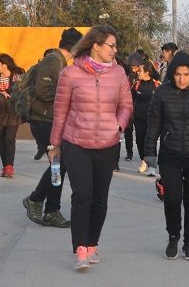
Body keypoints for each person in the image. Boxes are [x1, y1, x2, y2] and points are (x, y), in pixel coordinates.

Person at [48, 25, 133, 271]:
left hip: (107, 145)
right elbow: (60, 111)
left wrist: (118, 127)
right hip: (77, 144)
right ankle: (80, 250)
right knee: (82, 195)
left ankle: (93, 243)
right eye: (111, 45)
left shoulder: (119, 73)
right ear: (95, 45)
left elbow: (126, 105)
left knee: (100, 199)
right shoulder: (70, 74)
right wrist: (55, 144)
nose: (115, 50)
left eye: (115, 46)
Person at [144, 51, 189, 261]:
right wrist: (149, 152)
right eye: (177, 74)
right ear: (172, 75)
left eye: (186, 74)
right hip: (170, 154)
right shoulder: (162, 93)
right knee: (172, 199)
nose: (182, 78)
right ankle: (173, 236)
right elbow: (153, 124)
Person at [22, 27, 82, 229]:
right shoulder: (53, 61)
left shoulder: (60, 62)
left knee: (59, 165)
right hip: (44, 121)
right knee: (59, 164)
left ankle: (51, 210)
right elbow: (43, 91)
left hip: (50, 121)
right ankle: (37, 199)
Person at [0, 53, 25, 178]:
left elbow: (21, 90)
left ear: (4, 65)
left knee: (9, 138)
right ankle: (5, 166)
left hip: (13, 112)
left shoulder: (17, 77)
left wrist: (5, 92)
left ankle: (9, 167)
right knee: (1, 139)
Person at [132, 59, 160, 175]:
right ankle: (144, 159)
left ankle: (152, 166)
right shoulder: (136, 85)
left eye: (140, 70)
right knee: (140, 141)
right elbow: (128, 100)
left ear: (147, 72)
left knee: (151, 141)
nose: (137, 72)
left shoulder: (157, 85)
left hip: (153, 120)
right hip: (138, 119)